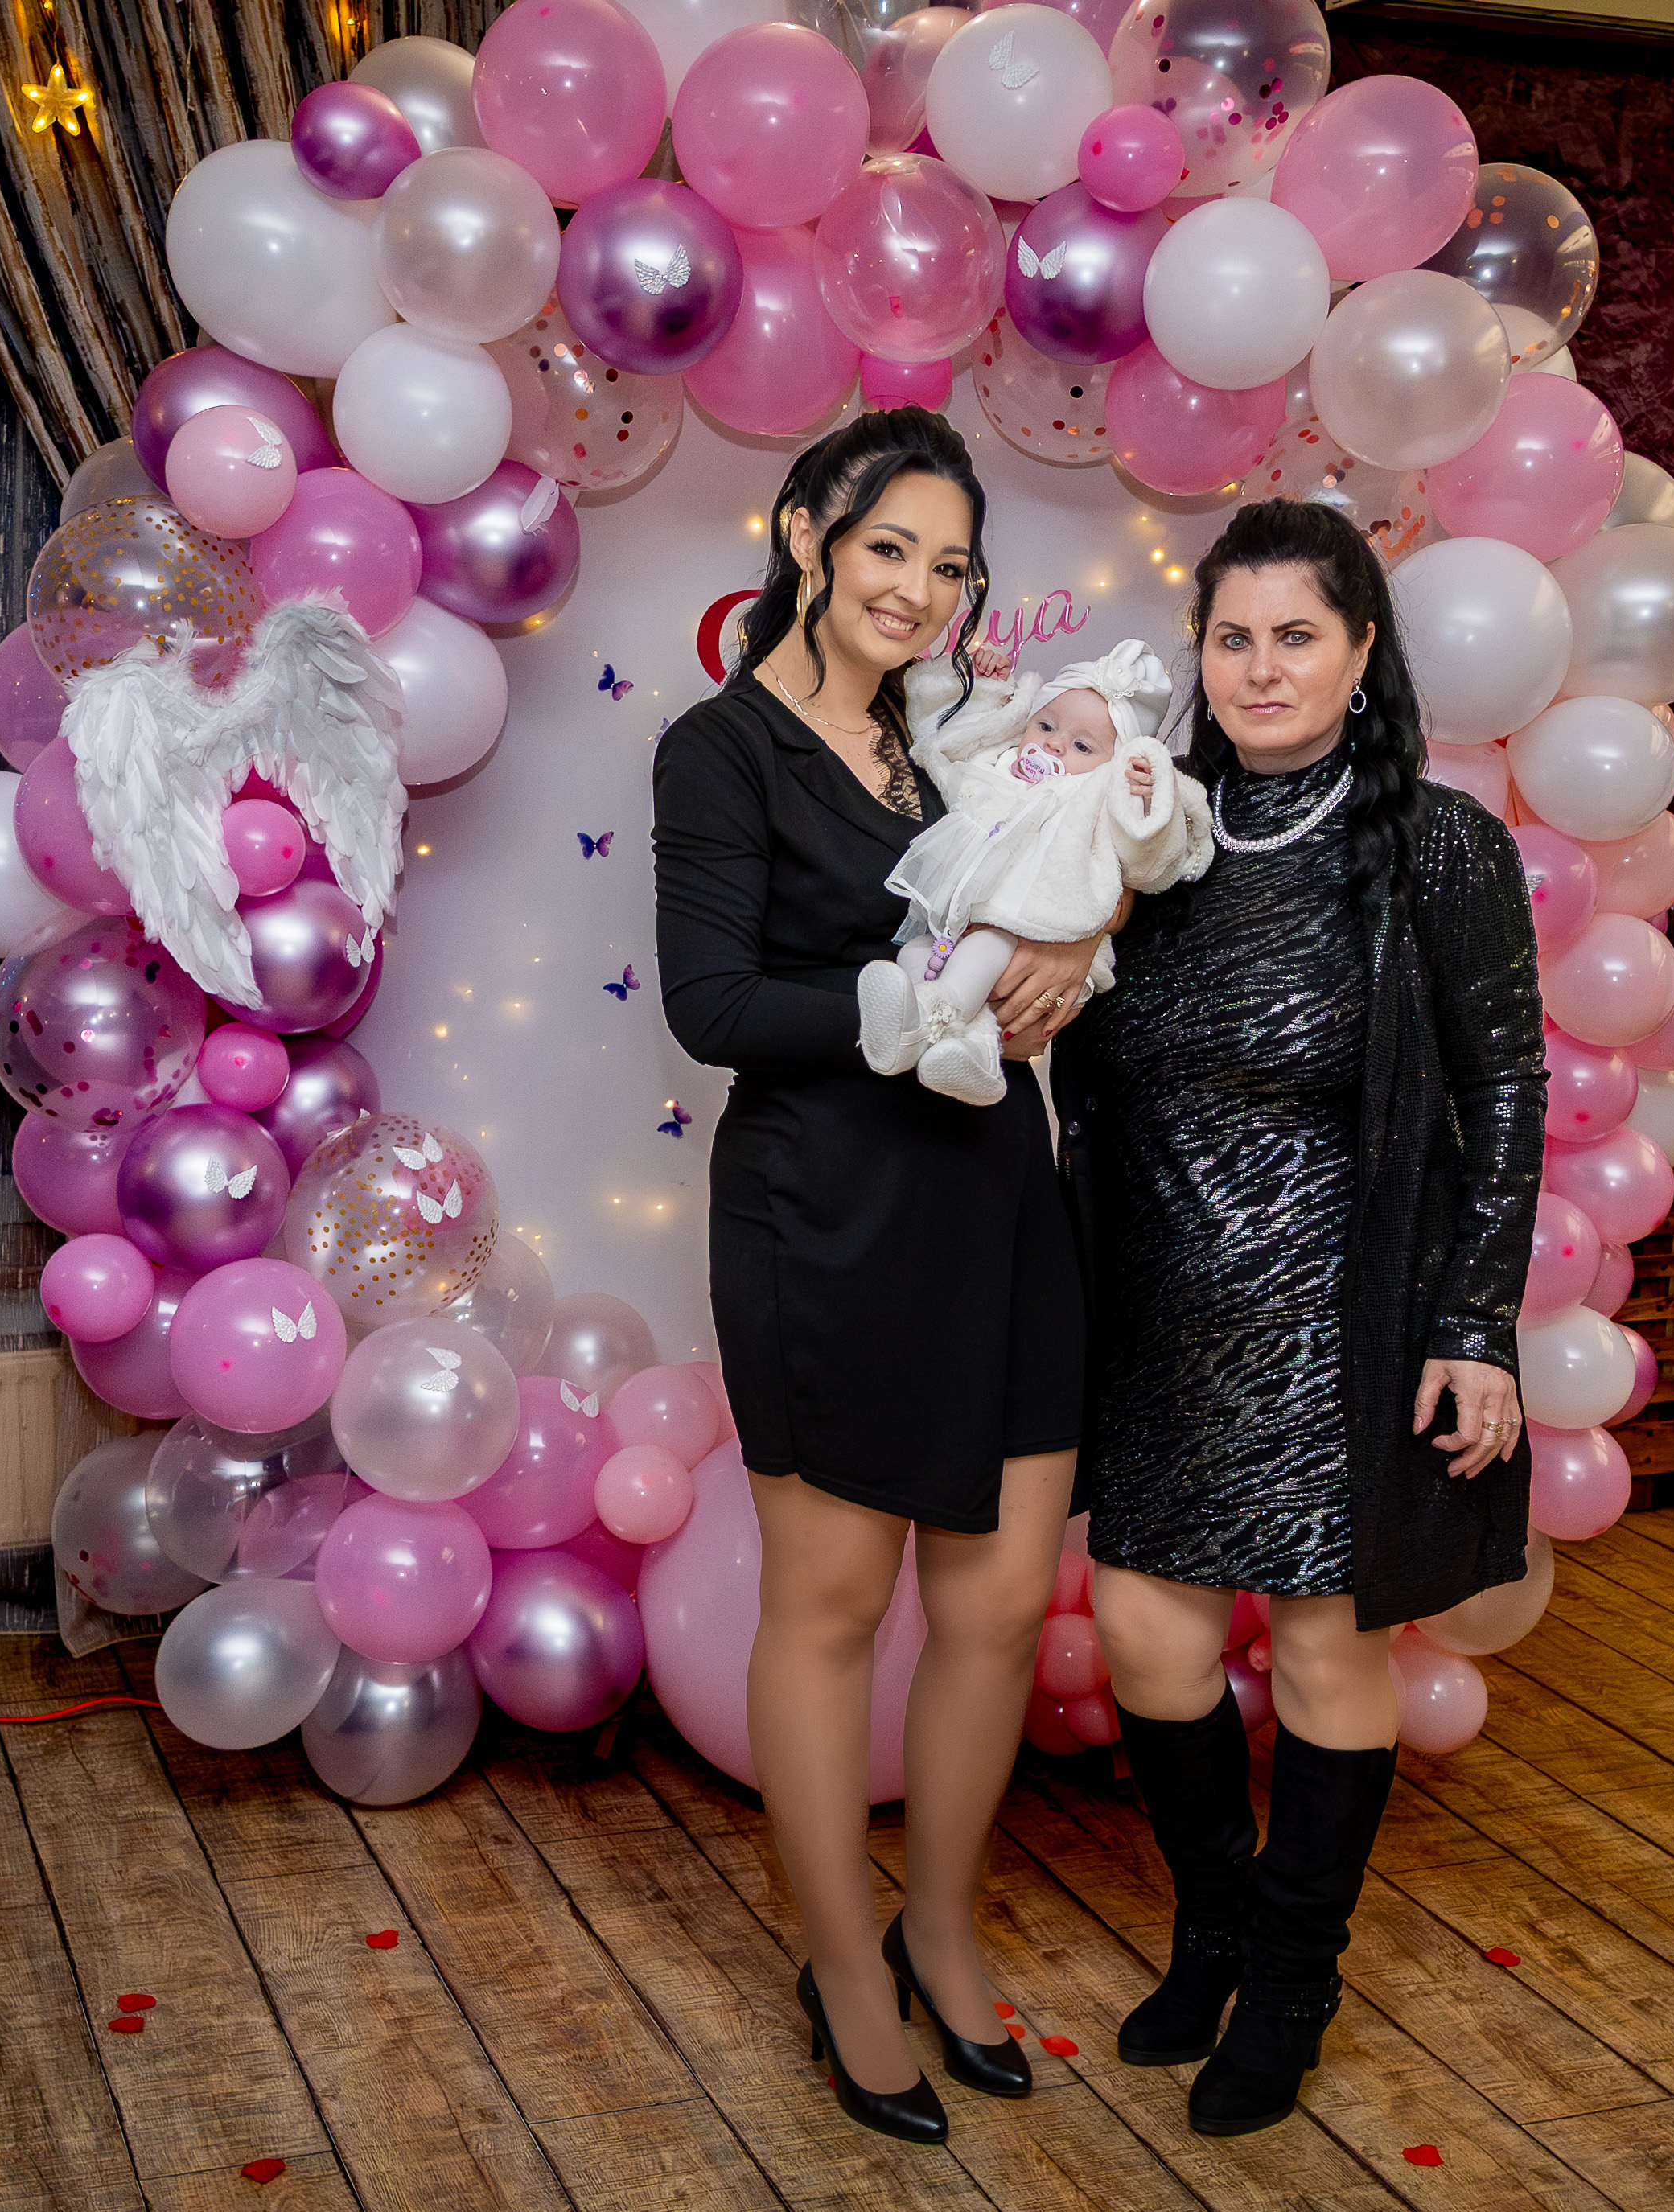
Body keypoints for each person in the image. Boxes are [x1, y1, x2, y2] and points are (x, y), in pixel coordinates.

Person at [1051, 498, 1544, 2139]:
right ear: (1198, 653)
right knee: (1147, 1635)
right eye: (1233, 637)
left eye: (1296, 636)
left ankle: (1292, 1982)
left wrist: (1475, 1322)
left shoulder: (1437, 847)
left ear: (1360, 652)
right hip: (1160, 1312)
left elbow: (1504, 1087)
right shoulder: (1145, 826)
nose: (1260, 668)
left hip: (1345, 1320)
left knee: (1330, 1650)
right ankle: (1214, 1927)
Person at [652, 409, 1104, 2145]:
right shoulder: (722, 750)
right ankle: (842, 1963)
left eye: (951, 563)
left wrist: (1074, 937)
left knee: (997, 1609)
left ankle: (941, 1926)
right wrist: (914, 1008)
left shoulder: (959, 740)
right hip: (824, 1216)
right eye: (890, 547)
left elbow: (1071, 871)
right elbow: (713, 1007)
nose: (917, 589)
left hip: (1001, 1204)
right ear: (809, 539)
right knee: (832, 1612)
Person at [858, 638, 1214, 1104]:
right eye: (1046, 724)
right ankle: (964, 1049)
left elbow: (1147, 861)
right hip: (954, 931)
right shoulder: (998, 766)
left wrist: (1144, 800)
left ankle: (935, 1016)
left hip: (1035, 935)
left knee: (988, 944)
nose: (1055, 743)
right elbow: (951, 736)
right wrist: (983, 687)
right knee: (915, 950)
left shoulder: (1094, 798)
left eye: (1082, 746)